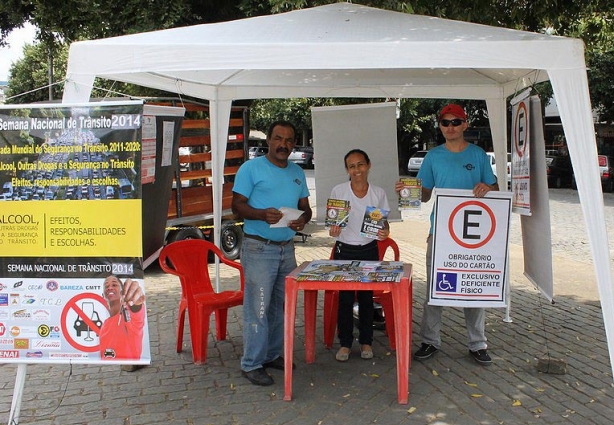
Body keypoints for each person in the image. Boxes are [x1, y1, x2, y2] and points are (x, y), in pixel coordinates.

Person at [402, 103, 499, 366]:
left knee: (473, 286)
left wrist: (487, 188)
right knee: (436, 287)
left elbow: (495, 187)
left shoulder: (479, 155)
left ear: (465, 125)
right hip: (441, 233)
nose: (450, 127)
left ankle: (478, 343)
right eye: (445, 123)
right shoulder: (433, 157)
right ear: (440, 126)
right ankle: (430, 341)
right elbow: (424, 196)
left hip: (474, 236)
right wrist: (408, 189)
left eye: (456, 122)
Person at [232, 120, 312, 386]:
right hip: (258, 248)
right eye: (279, 138)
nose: (284, 145)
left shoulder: (297, 172)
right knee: (259, 307)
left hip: (286, 249)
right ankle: (251, 363)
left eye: (289, 141)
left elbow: (305, 208)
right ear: (268, 140)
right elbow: (236, 207)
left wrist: (303, 220)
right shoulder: (250, 168)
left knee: (281, 306)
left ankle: (272, 354)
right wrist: (260, 215)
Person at [328, 149, 390, 362]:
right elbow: (333, 221)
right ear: (347, 169)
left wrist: (385, 231)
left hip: (369, 249)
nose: (357, 170)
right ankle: (345, 343)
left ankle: (366, 342)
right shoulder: (338, 191)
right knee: (344, 298)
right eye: (352, 166)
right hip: (344, 250)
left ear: (368, 165)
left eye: (360, 164)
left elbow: (384, 224)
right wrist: (333, 229)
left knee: (366, 298)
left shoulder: (378, 193)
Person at [99, 275, 146, 363]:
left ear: (122, 292)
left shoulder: (127, 314)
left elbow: (136, 311)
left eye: (114, 285)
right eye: (106, 286)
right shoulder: (105, 324)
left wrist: (135, 301)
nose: (110, 288)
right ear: (103, 296)